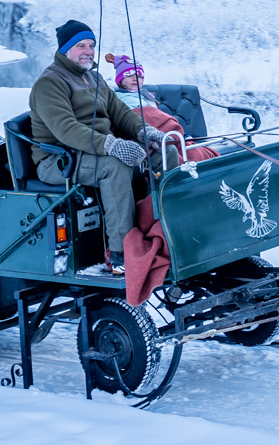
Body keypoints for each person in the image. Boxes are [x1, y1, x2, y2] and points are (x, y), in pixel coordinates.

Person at [28, 19, 172, 273]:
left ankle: (163, 228)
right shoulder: (49, 83)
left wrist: (146, 132)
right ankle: (120, 253)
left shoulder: (94, 78)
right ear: (65, 49)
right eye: (80, 46)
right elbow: (66, 129)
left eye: (91, 46)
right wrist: (112, 145)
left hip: (93, 150)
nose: (88, 51)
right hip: (59, 159)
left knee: (165, 153)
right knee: (115, 165)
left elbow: (120, 113)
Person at [107, 53, 218, 164]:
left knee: (191, 149)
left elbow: (158, 117)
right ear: (120, 79)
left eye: (139, 76)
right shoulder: (117, 96)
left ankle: (184, 142)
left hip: (158, 131)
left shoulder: (147, 96)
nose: (135, 79)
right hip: (139, 130)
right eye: (129, 75)